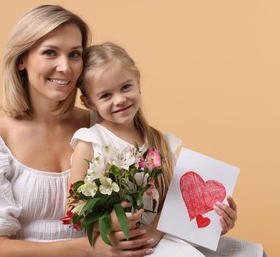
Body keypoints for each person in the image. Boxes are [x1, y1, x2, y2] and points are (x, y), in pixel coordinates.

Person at [0, 5, 155, 257]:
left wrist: (207, 220)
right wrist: (90, 248)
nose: (65, 67)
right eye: (50, 53)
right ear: (21, 59)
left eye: (74, 54)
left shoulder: (102, 126)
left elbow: (149, 200)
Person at [68, 42, 264, 256]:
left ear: (138, 82)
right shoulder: (91, 142)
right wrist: (112, 222)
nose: (120, 99)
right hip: (126, 245)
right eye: (106, 95)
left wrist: (216, 222)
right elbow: (74, 211)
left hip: (163, 235)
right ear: (89, 103)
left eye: (125, 87)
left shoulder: (158, 141)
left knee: (249, 252)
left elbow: (178, 208)